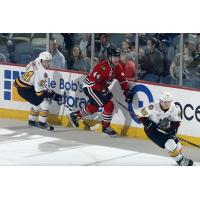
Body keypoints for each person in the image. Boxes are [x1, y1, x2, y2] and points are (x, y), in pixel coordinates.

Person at [69, 48, 132, 137]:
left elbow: (122, 79)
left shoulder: (117, 67)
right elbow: (94, 83)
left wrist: (127, 91)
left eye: (118, 57)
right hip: (90, 87)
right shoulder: (101, 66)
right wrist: (104, 91)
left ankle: (75, 115)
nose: (117, 59)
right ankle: (106, 128)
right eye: (115, 57)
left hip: (100, 88)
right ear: (109, 57)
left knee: (94, 107)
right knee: (109, 105)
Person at [135, 91, 193, 166]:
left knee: (178, 145)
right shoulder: (152, 107)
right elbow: (138, 114)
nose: (166, 104)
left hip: (166, 130)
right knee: (170, 144)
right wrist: (148, 124)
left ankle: (180, 157)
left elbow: (176, 121)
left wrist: (173, 130)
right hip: (152, 131)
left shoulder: (174, 108)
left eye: (168, 102)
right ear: (160, 101)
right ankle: (180, 161)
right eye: (164, 102)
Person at [13, 51, 62, 131]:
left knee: (37, 102)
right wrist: (53, 95)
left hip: (23, 85)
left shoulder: (36, 60)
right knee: (45, 103)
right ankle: (42, 124)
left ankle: (31, 121)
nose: (50, 63)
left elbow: (29, 70)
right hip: (26, 90)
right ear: (44, 61)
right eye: (48, 61)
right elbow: (39, 93)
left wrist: (48, 92)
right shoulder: (43, 74)